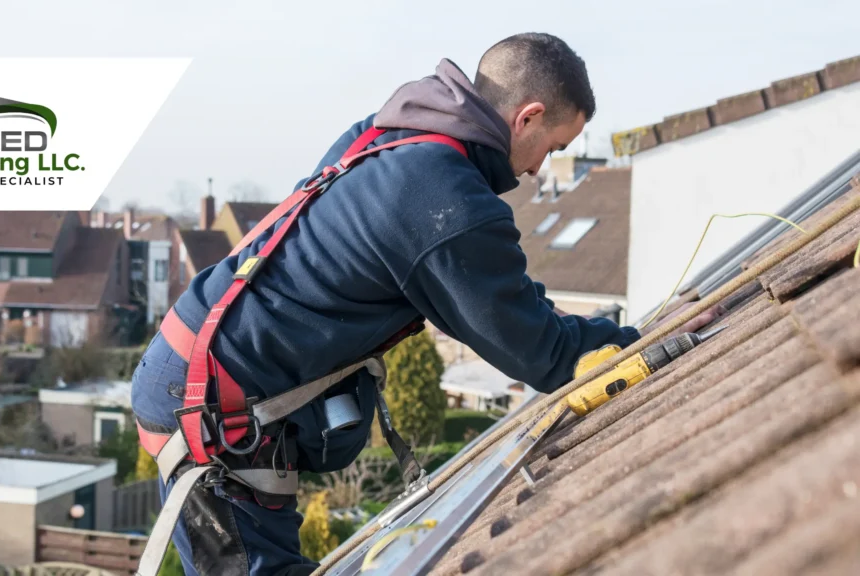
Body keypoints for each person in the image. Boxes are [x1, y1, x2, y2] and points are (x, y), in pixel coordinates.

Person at [130, 32, 720, 576]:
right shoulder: (443, 196)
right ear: (529, 116)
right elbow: (539, 352)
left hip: (204, 363)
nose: (541, 167)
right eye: (554, 145)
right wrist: (641, 344)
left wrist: (616, 336)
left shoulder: (393, 134)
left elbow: (507, 300)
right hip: (211, 400)